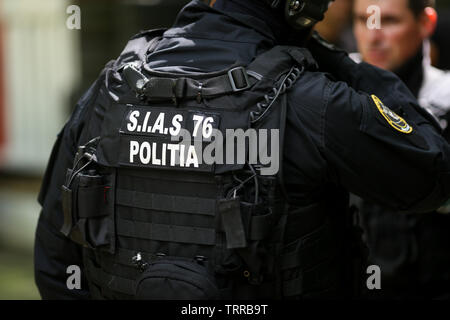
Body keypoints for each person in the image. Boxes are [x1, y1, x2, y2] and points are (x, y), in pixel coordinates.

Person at [34, 0, 450, 300]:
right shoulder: (312, 100)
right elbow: (432, 173)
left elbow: (55, 266)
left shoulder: (113, 87)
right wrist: (346, 65)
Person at [353, 0, 450, 298]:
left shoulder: (446, 99)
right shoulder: (322, 90)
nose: (373, 35)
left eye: (390, 21)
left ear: (426, 23)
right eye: (363, 20)